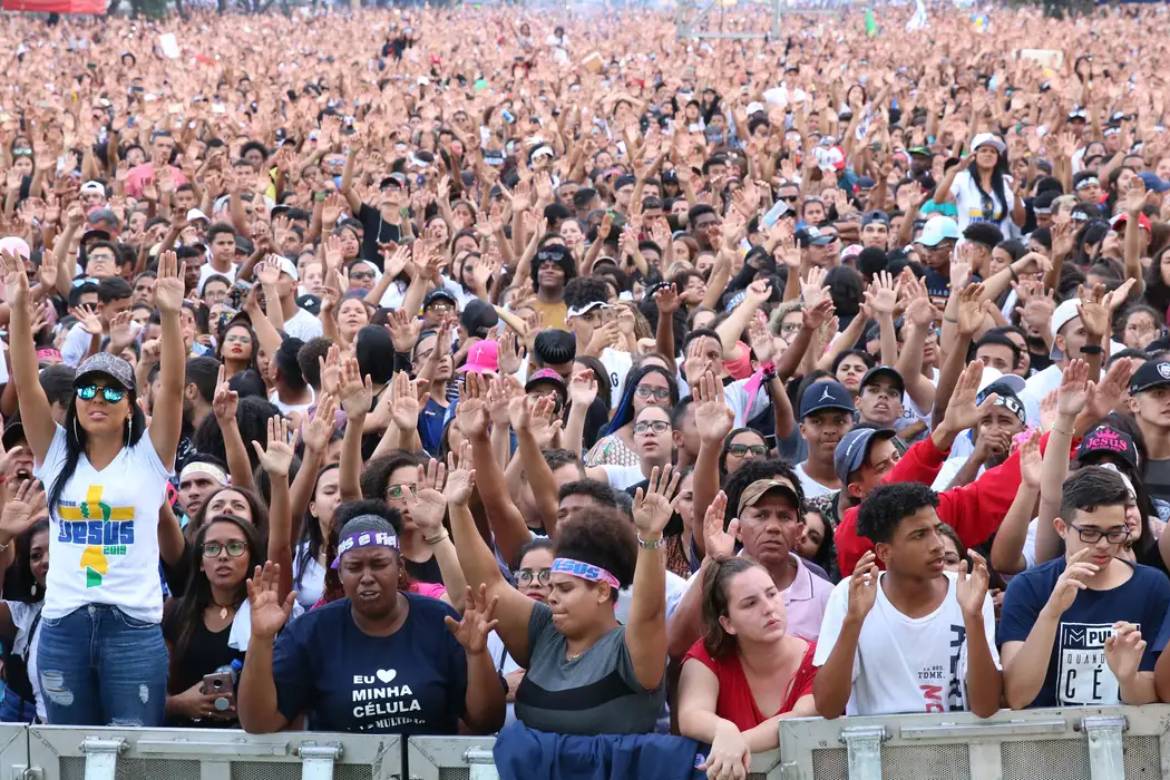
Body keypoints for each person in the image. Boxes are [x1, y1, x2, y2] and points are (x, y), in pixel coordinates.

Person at [5, 249, 187, 727]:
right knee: (68, 747)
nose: (98, 399)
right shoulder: (58, 453)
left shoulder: (150, 457)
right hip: (64, 624)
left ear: (130, 405)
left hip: (132, 627)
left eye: (112, 391)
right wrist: (21, 308)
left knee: (134, 752)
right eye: (87, 390)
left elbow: (170, 389)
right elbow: (27, 385)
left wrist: (169, 316)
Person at [238, 502, 505, 735]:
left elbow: (487, 720)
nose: (367, 577)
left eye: (379, 564)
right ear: (340, 573)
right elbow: (259, 723)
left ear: (400, 567)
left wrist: (477, 655)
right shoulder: (312, 631)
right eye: (354, 567)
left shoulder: (440, 620)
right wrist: (261, 639)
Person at [813, 483, 1001, 718]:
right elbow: (828, 707)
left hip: (955, 750)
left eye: (937, 530)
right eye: (919, 535)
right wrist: (854, 620)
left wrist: (973, 618)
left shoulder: (968, 590)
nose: (937, 545)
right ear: (884, 552)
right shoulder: (850, 594)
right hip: (876, 750)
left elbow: (986, 707)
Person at [999, 467, 1170, 708]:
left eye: (1115, 532)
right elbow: (1017, 696)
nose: (1103, 544)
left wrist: (1128, 678)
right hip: (1050, 740)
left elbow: (1156, 692)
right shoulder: (1029, 586)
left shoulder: (1153, 586)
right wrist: (1051, 613)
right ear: (1061, 528)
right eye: (1089, 532)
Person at [677, 557, 817, 777]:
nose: (769, 608)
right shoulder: (709, 654)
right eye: (750, 603)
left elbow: (799, 720)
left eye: (771, 594)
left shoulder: (816, 657)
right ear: (728, 623)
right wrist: (724, 729)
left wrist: (737, 743)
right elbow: (691, 715)